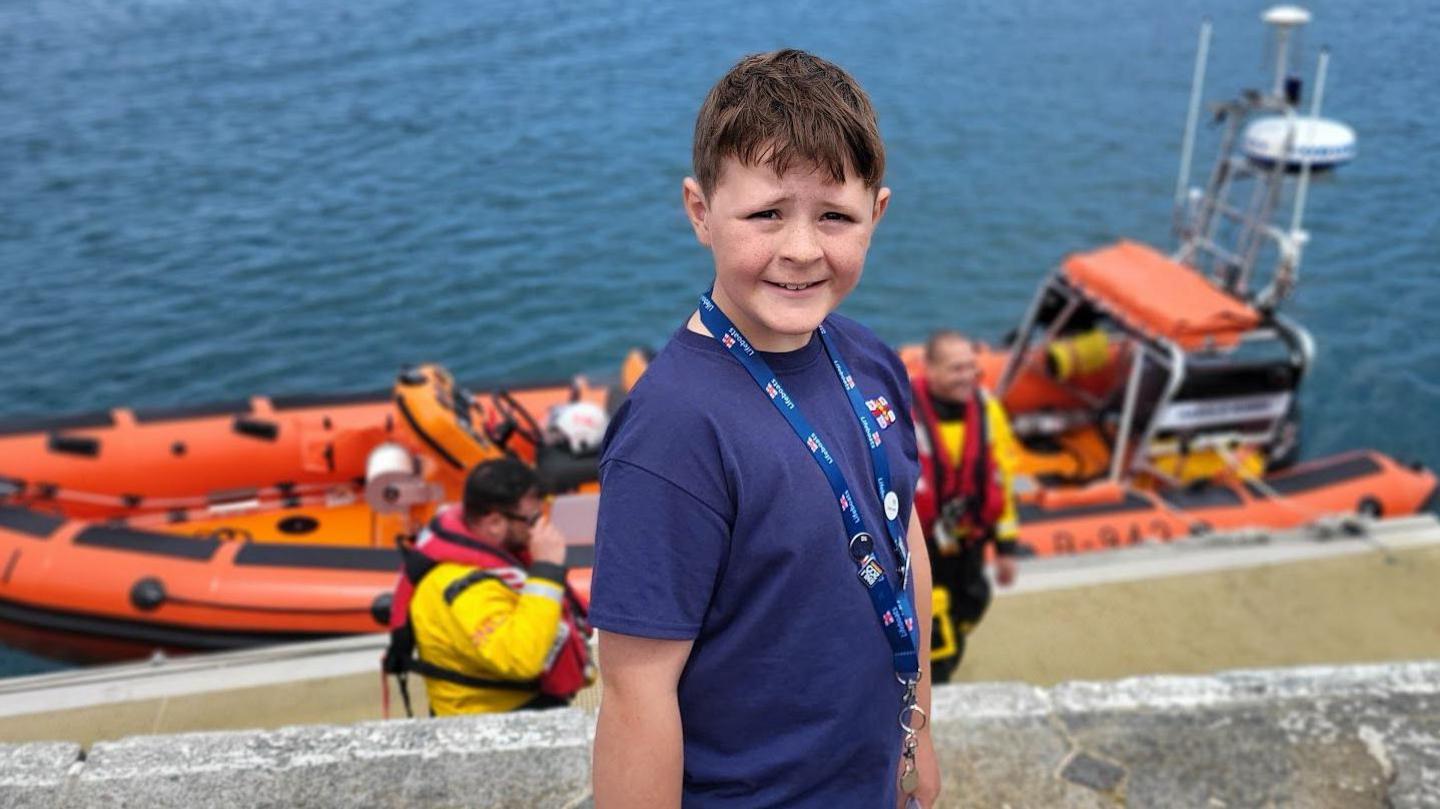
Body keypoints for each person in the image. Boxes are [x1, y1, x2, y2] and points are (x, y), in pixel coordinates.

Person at [590, 50, 940, 808]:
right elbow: (634, 692)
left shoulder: (870, 360)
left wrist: (917, 731)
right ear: (700, 211)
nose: (803, 249)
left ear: (876, 214)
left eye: (835, 216)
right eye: (767, 213)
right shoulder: (674, 431)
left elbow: (901, 531)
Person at [383, 458, 593, 716]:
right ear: (494, 523)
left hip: (519, 707)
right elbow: (521, 658)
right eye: (532, 519)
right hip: (490, 724)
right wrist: (546, 571)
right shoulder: (462, 587)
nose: (541, 527)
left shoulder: (495, 556)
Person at [911, 330, 1020, 683]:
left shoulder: (987, 409)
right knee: (933, 624)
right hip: (921, 544)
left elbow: (1002, 473)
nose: (967, 377)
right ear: (930, 369)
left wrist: (1005, 547)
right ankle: (931, 686)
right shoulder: (901, 410)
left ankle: (945, 653)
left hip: (967, 540)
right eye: (956, 369)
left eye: (972, 368)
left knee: (972, 602)